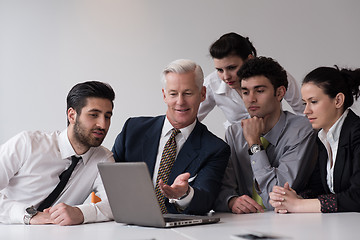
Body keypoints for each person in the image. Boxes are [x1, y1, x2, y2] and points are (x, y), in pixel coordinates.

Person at [112, 59, 230, 215]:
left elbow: (206, 199)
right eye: (173, 94)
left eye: (188, 93)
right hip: (127, 223)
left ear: (202, 94)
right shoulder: (133, 130)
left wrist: (185, 194)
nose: (180, 102)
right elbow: (109, 179)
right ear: (164, 95)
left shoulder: (215, 149)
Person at [0, 81, 115, 225]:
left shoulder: (103, 159)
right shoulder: (27, 144)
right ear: (72, 115)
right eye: (94, 115)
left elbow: (114, 205)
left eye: (107, 116)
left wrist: (81, 213)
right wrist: (28, 216)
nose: (102, 125)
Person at [215, 57, 317, 214]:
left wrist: (254, 145)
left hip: (290, 224)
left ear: (280, 93)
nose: (251, 99)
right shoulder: (234, 133)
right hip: (244, 223)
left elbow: (275, 199)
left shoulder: (302, 131)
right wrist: (231, 200)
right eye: (245, 92)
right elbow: (223, 189)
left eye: (260, 91)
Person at [269, 66, 360, 213]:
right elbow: (319, 189)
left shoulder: (356, 133)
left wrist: (298, 206)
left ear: (338, 100)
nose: (306, 111)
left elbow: (357, 197)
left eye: (314, 102)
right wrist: (292, 198)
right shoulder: (323, 138)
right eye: (305, 103)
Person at [198, 32, 304, 129]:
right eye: (219, 70)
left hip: (279, 139)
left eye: (231, 68)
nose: (226, 77)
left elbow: (304, 111)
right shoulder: (212, 83)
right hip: (238, 144)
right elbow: (190, 118)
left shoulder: (275, 74)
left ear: (249, 59)